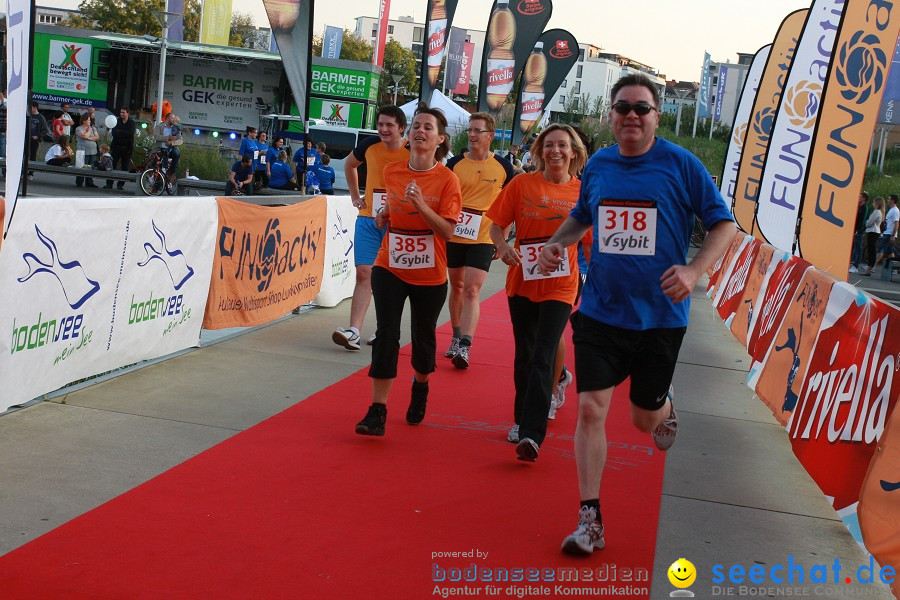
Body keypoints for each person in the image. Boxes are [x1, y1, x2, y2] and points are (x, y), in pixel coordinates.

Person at [536, 73, 736, 556]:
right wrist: (557, 242)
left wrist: (694, 271)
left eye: (641, 108)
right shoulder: (601, 165)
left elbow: (723, 225)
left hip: (660, 318)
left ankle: (664, 406)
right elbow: (584, 213)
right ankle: (590, 520)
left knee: (644, 419)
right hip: (602, 311)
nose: (631, 115)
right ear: (611, 114)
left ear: (656, 116)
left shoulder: (681, 165)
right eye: (622, 107)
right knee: (589, 409)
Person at [354, 103, 462, 436]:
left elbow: (447, 230)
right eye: (416, 125)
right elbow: (386, 213)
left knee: (422, 338)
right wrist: (383, 216)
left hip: (429, 273)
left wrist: (419, 206)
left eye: (427, 127)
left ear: (439, 139)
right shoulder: (394, 172)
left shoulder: (447, 180)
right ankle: (377, 410)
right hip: (391, 264)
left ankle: (420, 387)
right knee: (387, 333)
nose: (419, 131)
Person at [486, 124, 589, 459]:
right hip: (521, 282)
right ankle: (520, 418)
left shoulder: (583, 192)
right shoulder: (521, 183)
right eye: (548, 145)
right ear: (540, 151)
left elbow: (593, 244)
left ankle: (531, 434)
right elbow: (496, 225)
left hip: (561, 285)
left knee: (544, 355)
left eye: (562, 146)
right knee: (526, 356)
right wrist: (502, 248)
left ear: (574, 152)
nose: (555, 151)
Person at [332, 105, 410, 351]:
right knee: (364, 273)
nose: (383, 129)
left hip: (399, 223)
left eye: (389, 125)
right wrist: (355, 196)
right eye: (381, 124)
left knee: (390, 279)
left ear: (401, 128)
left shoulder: (413, 151)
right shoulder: (368, 145)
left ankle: (385, 330)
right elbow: (350, 165)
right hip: (368, 218)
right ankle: (354, 331)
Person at [444, 112, 514, 369]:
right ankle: (455, 335)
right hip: (456, 234)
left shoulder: (504, 167)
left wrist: (503, 238)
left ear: (490, 135)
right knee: (458, 287)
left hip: (485, 236)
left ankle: (465, 344)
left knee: (473, 288)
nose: (472, 135)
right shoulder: (454, 164)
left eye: (477, 131)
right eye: (470, 130)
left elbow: (510, 205)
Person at [107, 107, 136, 190]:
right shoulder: (117, 121)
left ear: (127, 113)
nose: (121, 114)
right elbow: (114, 133)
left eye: (123, 112)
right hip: (116, 147)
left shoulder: (131, 123)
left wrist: (121, 131)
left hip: (127, 148)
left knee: (125, 167)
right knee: (112, 165)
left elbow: (131, 133)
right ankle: (109, 183)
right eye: (121, 112)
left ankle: (120, 184)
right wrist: (123, 133)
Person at [872, 193, 900, 274]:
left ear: (892, 200)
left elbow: (896, 223)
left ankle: (873, 267)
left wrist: (893, 235)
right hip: (887, 233)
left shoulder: (895, 211)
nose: (887, 200)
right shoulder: (892, 210)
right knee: (890, 252)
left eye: (889, 199)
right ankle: (894, 269)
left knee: (880, 250)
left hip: (889, 234)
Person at [153, 112, 183, 183]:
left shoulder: (176, 128)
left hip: (170, 149)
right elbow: (156, 137)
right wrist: (167, 138)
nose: (174, 120)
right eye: (172, 118)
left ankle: (172, 173)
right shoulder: (160, 126)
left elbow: (181, 140)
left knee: (177, 153)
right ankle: (158, 181)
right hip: (160, 149)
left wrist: (171, 143)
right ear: (167, 118)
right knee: (160, 164)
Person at [860, 196, 884, 276]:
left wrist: (866, 223)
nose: (872, 204)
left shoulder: (876, 212)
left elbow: (869, 223)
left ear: (877, 203)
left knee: (871, 250)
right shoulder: (880, 212)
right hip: (875, 232)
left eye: (874, 202)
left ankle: (869, 269)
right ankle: (868, 269)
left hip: (873, 232)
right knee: (871, 250)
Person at [75, 113, 99, 188]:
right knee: (82, 166)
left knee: (91, 166)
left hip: (93, 151)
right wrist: (88, 131)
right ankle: (79, 181)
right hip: (83, 151)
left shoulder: (93, 128)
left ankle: (89, 182)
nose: (90, 121)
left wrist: (89, 138)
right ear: (84, 121)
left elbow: (97, 137)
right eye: (88, 120)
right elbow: (84, 136)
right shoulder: (79, 128)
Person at [28, 101, 51, 179]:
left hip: (34, 140)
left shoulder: (40, 117)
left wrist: (38, 136)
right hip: (27, 138)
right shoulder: (28, 115)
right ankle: (22, 171)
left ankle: (31, 173)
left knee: (33, 155)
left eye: (30, 107)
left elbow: (45, 130)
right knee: (25, 155)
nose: (29, 109)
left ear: (35, 107)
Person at [850, 191, 869, 273]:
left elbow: (863, 220)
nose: (859, 198)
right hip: (855, 230)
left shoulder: (864, 208)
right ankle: (853, 262)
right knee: (855, 247)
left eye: (860, 197)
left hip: (859, 231)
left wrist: (858, 230)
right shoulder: (859, 207)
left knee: (858, 247)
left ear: (864, 199)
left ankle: (856, 265)